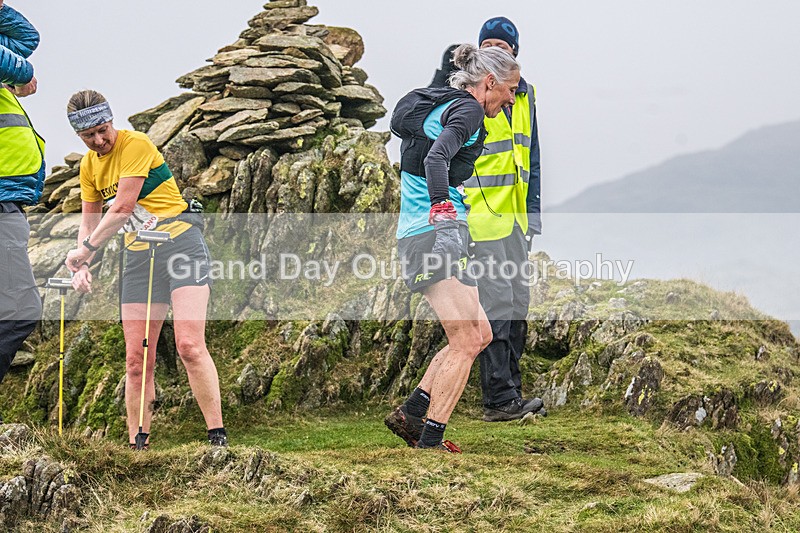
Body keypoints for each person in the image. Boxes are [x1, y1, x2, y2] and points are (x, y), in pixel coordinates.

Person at [63, 90, 226, 448]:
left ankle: (217, 437)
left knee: (188, 345)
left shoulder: (135, 144)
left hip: (181, 245)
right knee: (137, 360)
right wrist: (81, 263)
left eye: (104, 129)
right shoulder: (89, 166)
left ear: (111, 121)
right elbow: (89, 220)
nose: (100, 140)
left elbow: (121, 208)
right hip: (137, 258)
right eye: (89, 136)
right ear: (79, 136)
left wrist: (87, 250)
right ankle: (139, 447)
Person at [385, 44, 520, 452]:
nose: (513, 98)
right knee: (465, 340)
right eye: (511, 89)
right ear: (490, 82)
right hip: (432, 234)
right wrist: (443, 214)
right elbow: (437, 160)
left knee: (478, 334)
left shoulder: (446, 105)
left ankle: (411, 415)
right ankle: (430, 441)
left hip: (433, 231)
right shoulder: (469, 109)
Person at [433, 18, 544, 422]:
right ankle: (499, 399)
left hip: (514, 220)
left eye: (504, 44)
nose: (497, 48)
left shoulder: (524, 95)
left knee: (517, 304)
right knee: (495, 305)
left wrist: (532, 216)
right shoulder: (465, 96)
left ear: (516, 50)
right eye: (488, 43)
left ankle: (512, 390)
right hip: (479, 219)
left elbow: (530, 157)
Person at [0, 1, 44, 403]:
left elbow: (26, 41)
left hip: (9, 205)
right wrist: (18, 78)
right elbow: (24, 67)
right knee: (21, 309)